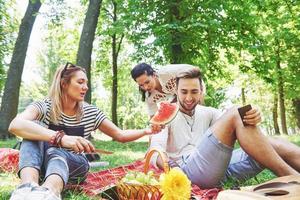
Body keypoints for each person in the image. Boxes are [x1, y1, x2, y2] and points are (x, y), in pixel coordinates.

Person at [8, 63, 159, 200]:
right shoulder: (44, 106)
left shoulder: (91, 112)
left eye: (86, 83)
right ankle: (27, 187)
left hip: (76, 163)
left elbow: (120, 135)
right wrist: (60, 138)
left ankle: (50, 191)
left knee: (56, 153)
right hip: (42, 163)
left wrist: (147, 130)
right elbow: (15, 124)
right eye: (80, 82)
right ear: (64, 84)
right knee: (31, 126)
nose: (86, 87)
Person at [149, 67, 300, 188]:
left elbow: (238, 121)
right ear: (176, 91)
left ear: (201, 91)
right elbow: (154, 152)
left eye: (194, 91)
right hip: (187, 172)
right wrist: (171, 168)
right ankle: (293, 179)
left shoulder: (208, 112)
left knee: (273, 143)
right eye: (184, 92)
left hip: (219, 171)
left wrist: (255, 115)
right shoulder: (164, 114)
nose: (189, 98)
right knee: (236, 112)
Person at [131, 63, 205, 118]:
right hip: (177, 97)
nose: (146, 87)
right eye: (141, 85)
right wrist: (153, 131)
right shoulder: (149, 97)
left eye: (147, 82)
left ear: (154, 75)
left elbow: (192, 69)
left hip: (194, 86)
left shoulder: (167, 72)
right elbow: (153, 116)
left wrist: (198, 93)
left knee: (198, 113)